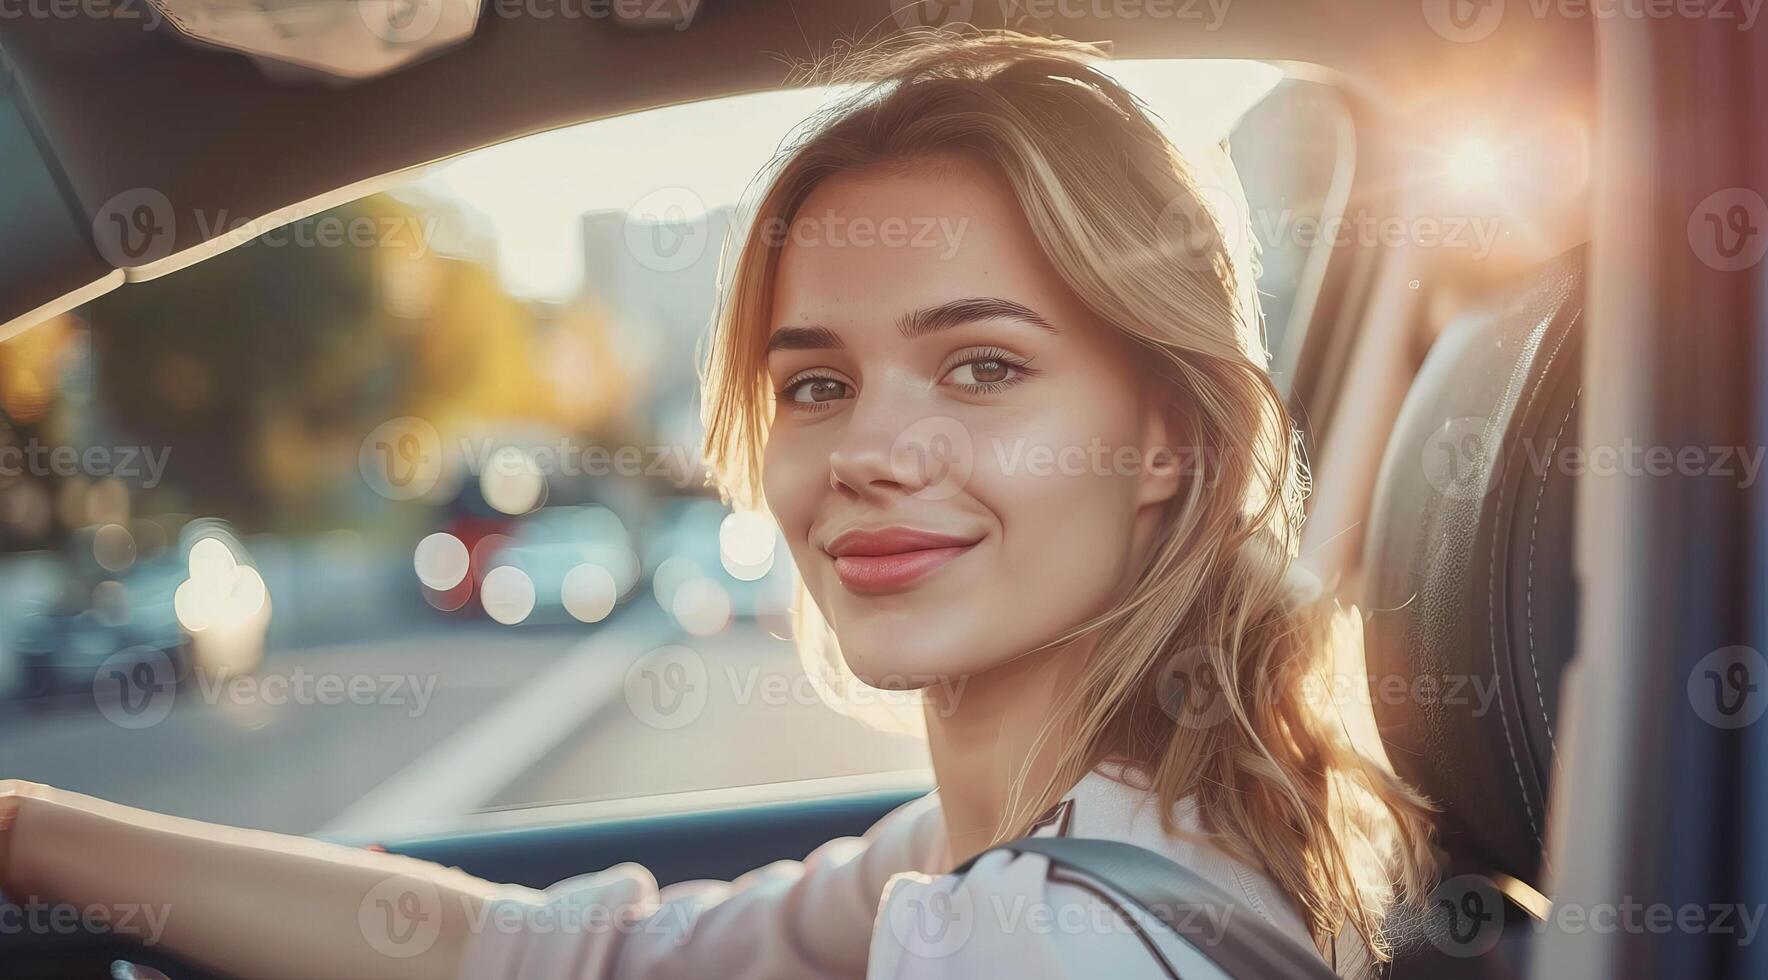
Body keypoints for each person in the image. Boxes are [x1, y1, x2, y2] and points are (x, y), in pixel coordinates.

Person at [0, 29, 1435, 979]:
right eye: (816, 385)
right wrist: (25, 829)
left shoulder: (1039, 937)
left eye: (982, 367)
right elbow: (579, 962)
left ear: (1170, 440)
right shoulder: (1044, 844)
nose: (873, 450)